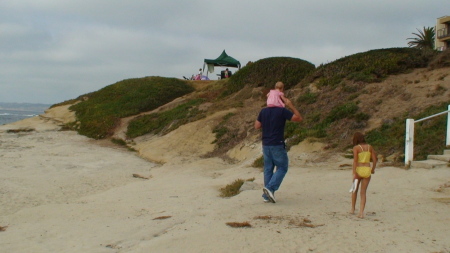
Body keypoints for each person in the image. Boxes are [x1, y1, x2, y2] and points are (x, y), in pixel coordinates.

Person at [254, 84, 303, 203]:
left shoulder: (263, 111)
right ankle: (270, 188)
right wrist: (291, 105)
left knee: (268, 169)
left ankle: (267, 196)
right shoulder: (282, 111)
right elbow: (298, 118)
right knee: (282, 167)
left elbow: (257, 126)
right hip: (277, 143)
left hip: (265, 143)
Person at [350, 132, 377, 218]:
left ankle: (353, 209)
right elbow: (375, 159)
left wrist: (354, 172)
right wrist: (373, 169)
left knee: (354, 189)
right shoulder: (370, 147)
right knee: (363, 192)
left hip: (359, 169)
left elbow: (355, 160)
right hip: (367, 169)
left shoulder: (356, 148)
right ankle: (361, 212)